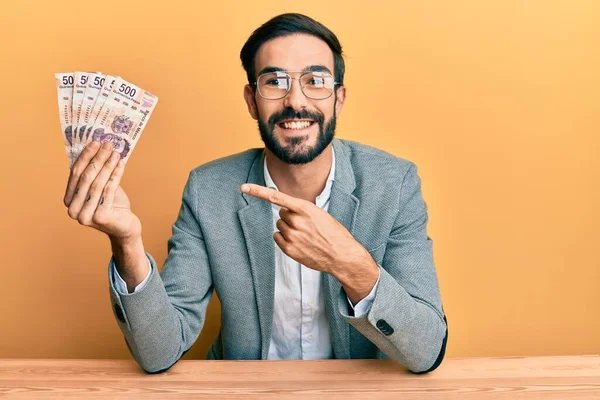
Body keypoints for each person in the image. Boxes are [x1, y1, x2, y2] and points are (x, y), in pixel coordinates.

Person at [64, 13, 448, 374]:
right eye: (275, 82)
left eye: (315, 81)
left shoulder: (394, 184)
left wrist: (349, 263)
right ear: (252, 100)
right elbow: (159, 352)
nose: (296, 101)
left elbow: (427, 349)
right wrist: (126, 242)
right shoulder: (208, 189)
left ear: (339, 98)